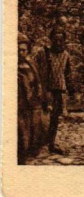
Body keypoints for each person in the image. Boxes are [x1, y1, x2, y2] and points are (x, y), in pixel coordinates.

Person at [34, 24, 73, 154]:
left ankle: (51, 144)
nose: (58, 42)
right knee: (41, 117)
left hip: (58, 91)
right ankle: (36, 144)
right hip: (45, 90)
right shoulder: (43, 53)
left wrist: (70, 89)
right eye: (55, 39)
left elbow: (67, 73)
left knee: (55, 119)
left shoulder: (66, 55)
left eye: (60, 40)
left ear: (64, 41)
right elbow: (34, 69)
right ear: (51, 40)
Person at [18, 34, 47, 163]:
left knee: (36, 126)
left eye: (23, 50)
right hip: (21, 102)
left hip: (33, 100)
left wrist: (40, 93)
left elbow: (38, 80)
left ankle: (32, 149)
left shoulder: (31, 64)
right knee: (22, 129)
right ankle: (22, 153)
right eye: (19, 50)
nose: (21, 52)